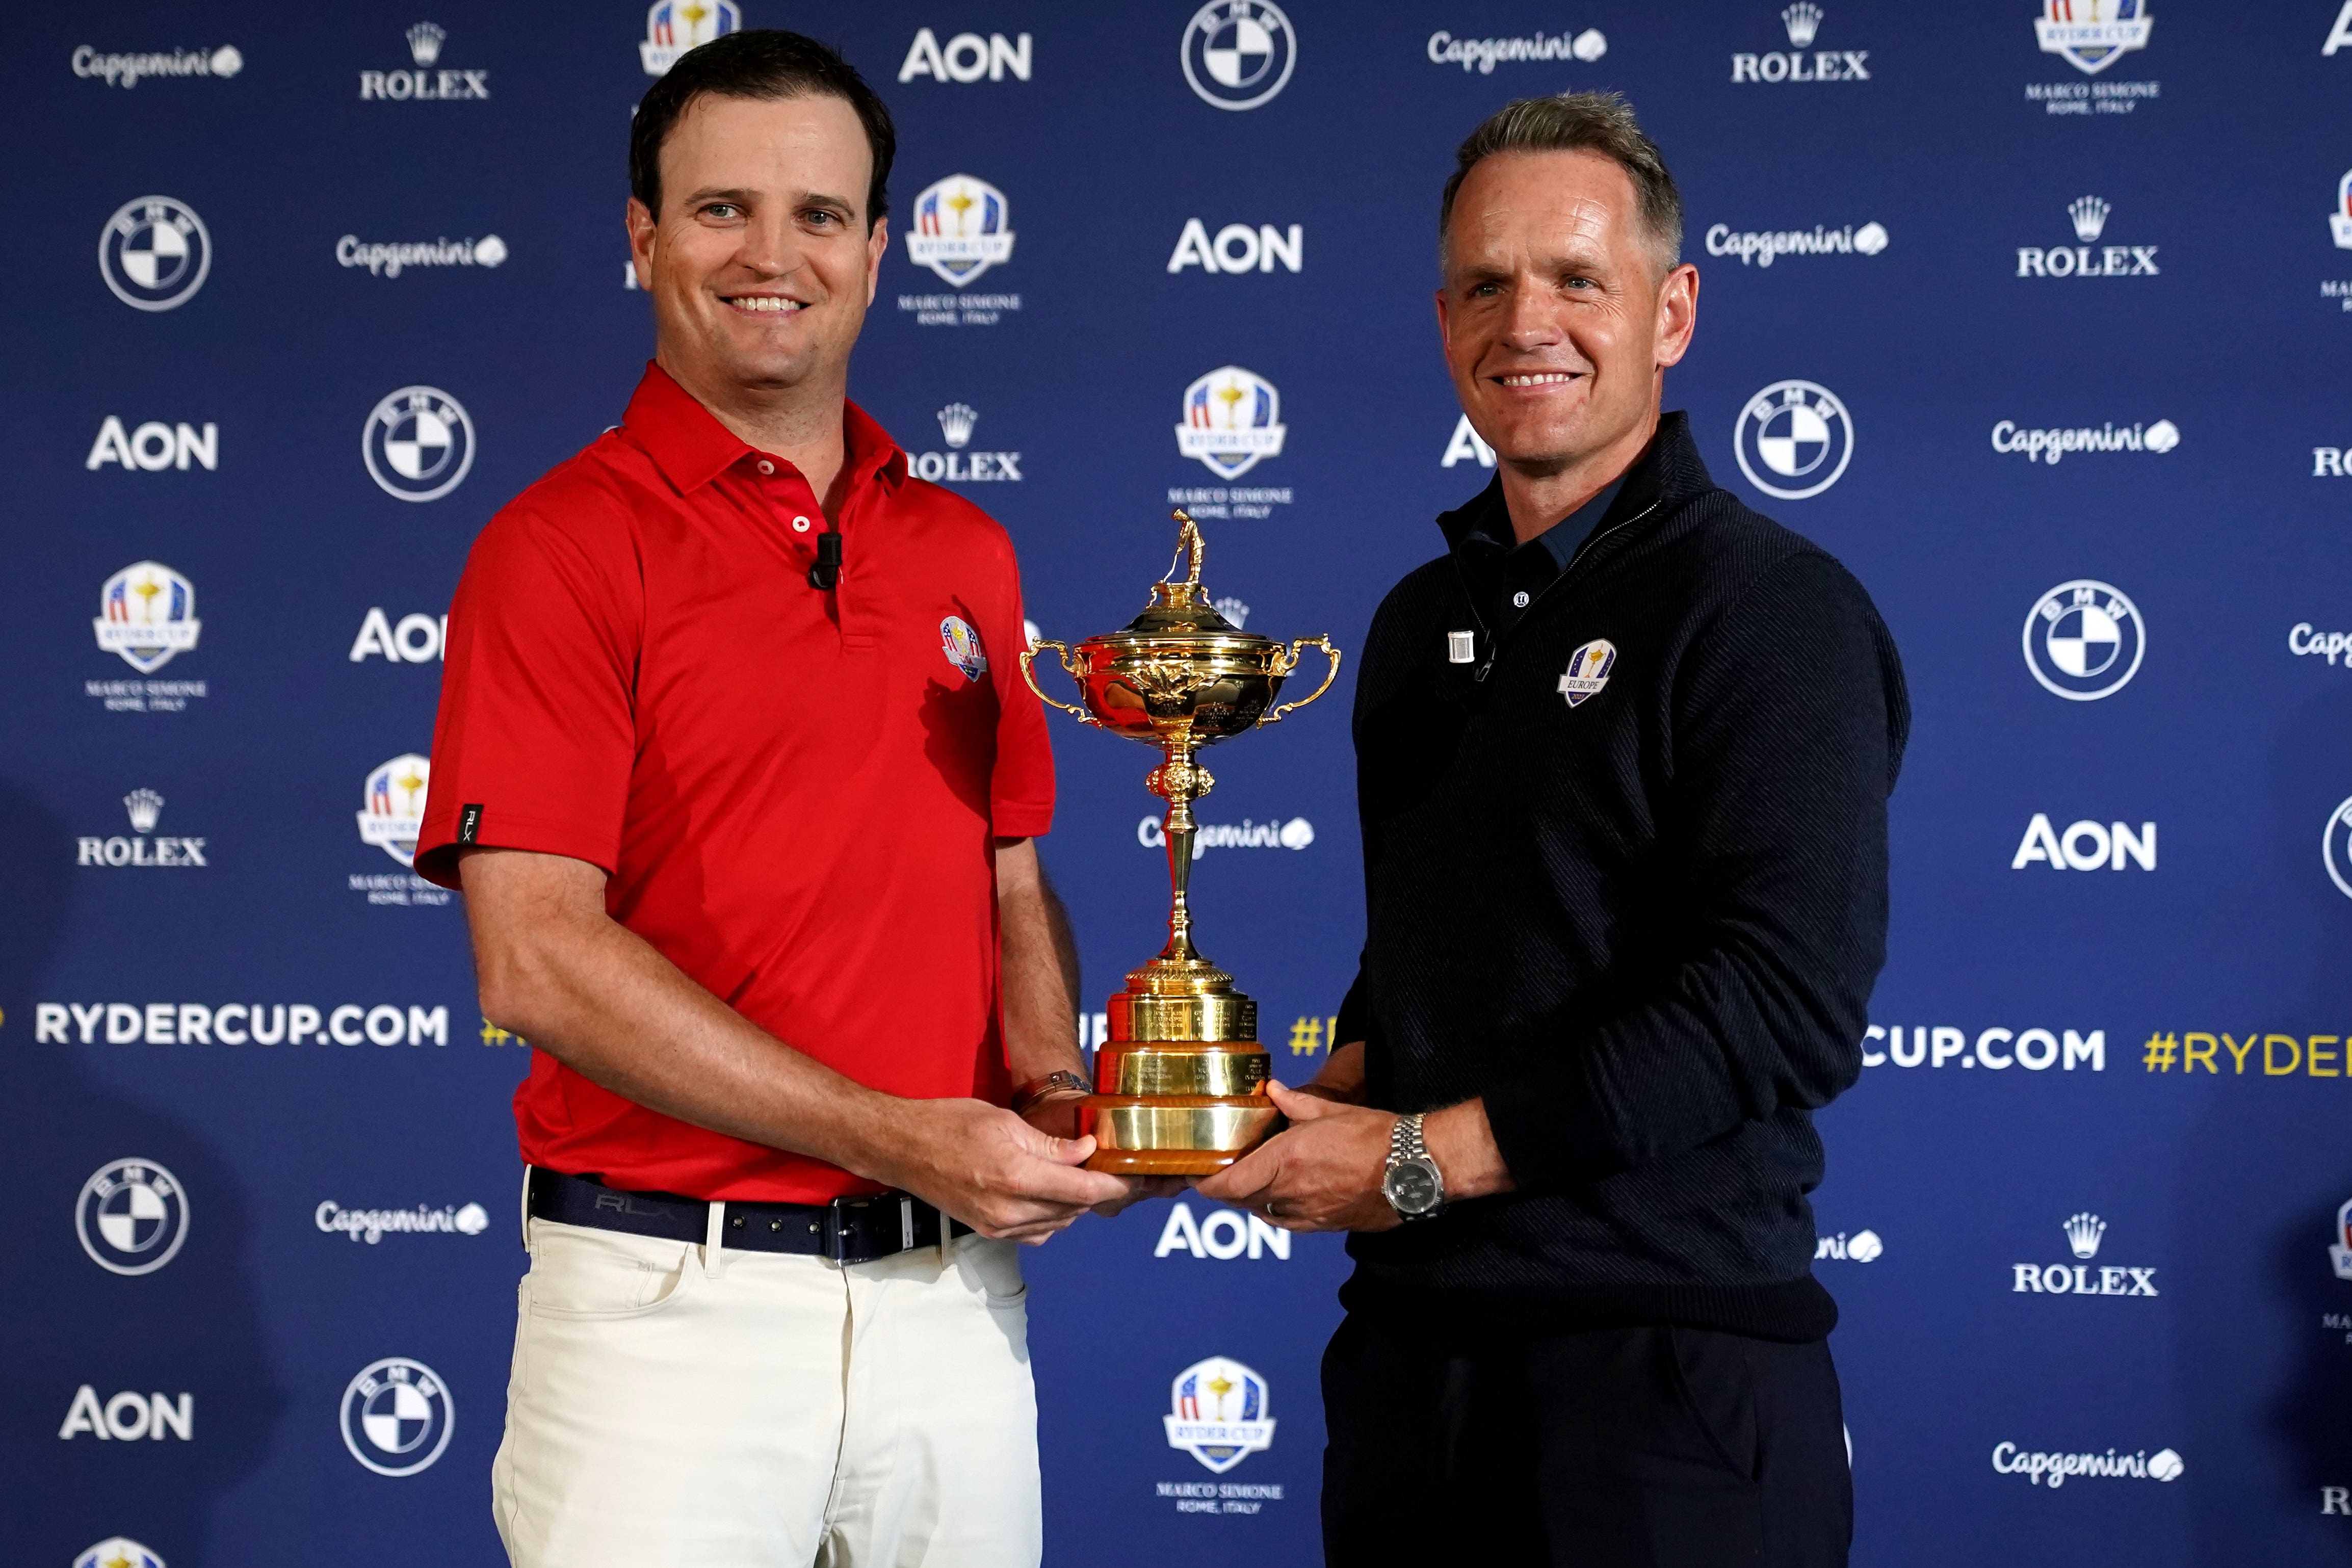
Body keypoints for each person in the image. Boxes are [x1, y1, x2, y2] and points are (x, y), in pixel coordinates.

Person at [410, 30, 1142, 1568]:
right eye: (721, 208)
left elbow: (1010, 876)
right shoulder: (555, 548)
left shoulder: (965, 550)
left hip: (950, 1309)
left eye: (819, 216)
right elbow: (532, 954)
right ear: (642, 238)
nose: (773, 255)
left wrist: (1061, 1098)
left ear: (880, 250)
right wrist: (897, 1134)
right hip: (669, 1321)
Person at [1196, 92, 1908, 1567]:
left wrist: (1407, 1164)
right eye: (1486, 282)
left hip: (1668, 1382)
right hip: (1411, 1372)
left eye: (1579, 277)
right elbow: (1439, 987)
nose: (1529, 319)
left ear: (1674, 312)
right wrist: (1264, 1117)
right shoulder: (1415, 624)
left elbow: (1777, 1007)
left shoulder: (1772, 609)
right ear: (1445, 318)